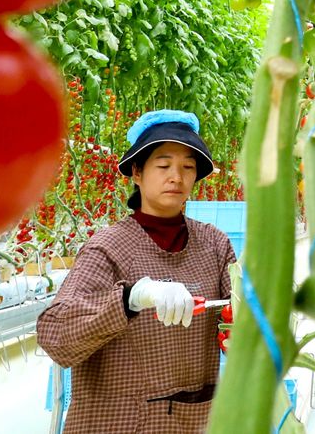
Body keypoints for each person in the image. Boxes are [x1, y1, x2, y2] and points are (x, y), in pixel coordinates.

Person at [38, 110, 237, 434]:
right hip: (115, 423)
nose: (177, 176)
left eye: (188, 166)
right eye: (163, 165)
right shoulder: (109, 248)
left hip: (188, 421)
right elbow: (55, 337)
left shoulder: (215, 245)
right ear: (137, 172)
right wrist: (131, 298)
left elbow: (239, 319)